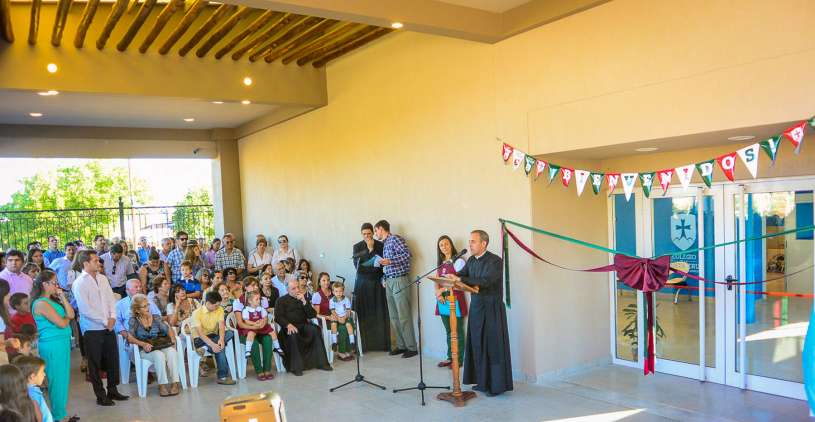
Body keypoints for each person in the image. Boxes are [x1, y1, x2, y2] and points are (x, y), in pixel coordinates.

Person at [445, 230, 512, 397]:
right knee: (477, 345)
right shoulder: (472, 261)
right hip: (476, 309)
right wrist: (452, 277)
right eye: (470, 241)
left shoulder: (495, 261)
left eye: (473, 241)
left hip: (491, 309)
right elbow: (463, 276)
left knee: (492, 347)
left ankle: (495, 386)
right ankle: (481, 382)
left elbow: (486, 282)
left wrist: (460, 279)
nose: (470, 244)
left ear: (484, 243)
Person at [71, 250, 129, 406]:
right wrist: (106, 320)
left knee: (112, 359)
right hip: (92, 328)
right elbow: (85, 309)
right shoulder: (79, 283)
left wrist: (113, 318)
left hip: (109, 325)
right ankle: (100, 395)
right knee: (95, 363)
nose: (99, 263)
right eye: (96, 260)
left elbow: (111, 300)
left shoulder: (103, 278)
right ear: (86, 263)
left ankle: (112, 389)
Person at [30, 269, 74, 421]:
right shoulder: (41, 303)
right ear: (44, 284)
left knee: (63, 379)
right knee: (57, 380)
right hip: (52, 345)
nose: (57, 285)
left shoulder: (53, 299)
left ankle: (61, 413)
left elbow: (72, 314)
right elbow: (62, 322)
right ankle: (58, 416)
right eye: (54, 283)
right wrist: (66, 318)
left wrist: (62, 296)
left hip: (61, 343)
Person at [374, 220, 417, 358]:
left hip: (400, 280)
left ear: (381, 229)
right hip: (389, 281)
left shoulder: (395, 239)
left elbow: (407, 254)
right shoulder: (385, 244)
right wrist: (384, 278)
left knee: (403, 315)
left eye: (376, 231)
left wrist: (390, 261)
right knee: (393, 316)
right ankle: (401, 345)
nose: (376, 234)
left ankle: (411, 347)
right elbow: (386, 266)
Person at [274, 279, 332, 376]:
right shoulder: (281, 301)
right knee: (293, 334)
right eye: (293, 288)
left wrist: (304, 301)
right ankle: (296, 367)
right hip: (288, 328)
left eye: (298, 287)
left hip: (303, 325)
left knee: (315, 329)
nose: (297, 290)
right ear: (287, 290)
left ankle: (321, 363)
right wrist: (288, 324)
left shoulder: (303, 299)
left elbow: (312, 315)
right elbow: (278, 317)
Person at [127, 294, 181, 397]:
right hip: (145, 349)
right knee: (158, 355)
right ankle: (162, 385)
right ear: (137, 310)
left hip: (159, 345)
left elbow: (168, 328)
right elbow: (130, 338)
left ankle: (175, 383)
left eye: (148, 305)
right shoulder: (133, 321)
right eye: (144, 306)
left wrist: (173, 340)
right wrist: (143, 344)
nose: (148, 308)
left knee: (172, 352)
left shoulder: (156, 318)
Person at [352, 223, 390, 353]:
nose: (367, 236)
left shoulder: (380, 245)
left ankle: (381, 344)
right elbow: (358, 267)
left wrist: (373, 250)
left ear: (373, 233)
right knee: (364, 314)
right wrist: (369, 251)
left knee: (378, 312)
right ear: (361, 234)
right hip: (362, 284)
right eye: (364, 234)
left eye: (369, 233)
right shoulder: (357, 247)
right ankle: (365, 346)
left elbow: (382, 264)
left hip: (376, 284)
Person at [434, 235, 468, 368]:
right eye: (441, 245)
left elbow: (459, 281)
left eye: (446, 244)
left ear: (451, 245)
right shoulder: (441, 263)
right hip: (442, 300)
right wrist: (438, 294)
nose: (444, 247)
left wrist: (441, 290)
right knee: (448, 330)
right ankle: (450, 357)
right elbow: (436, 280)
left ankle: (458, 359)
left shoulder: (459, 261)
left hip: (455, 299)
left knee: (457, 330)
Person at [190, 291, 236, 385]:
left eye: (218, 305)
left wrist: (222, 339)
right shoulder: (197, 313)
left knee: (230, 333)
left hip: (213, 336)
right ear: (208, 303)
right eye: (215, 305)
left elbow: (221, 326)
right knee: (220, 349)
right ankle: (222, 377)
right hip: (200, 339)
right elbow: (201, 334)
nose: (217, 307)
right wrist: (214, 344)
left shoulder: (219, 309)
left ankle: (205, 348)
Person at [237, 291, 278, 380]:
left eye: (256, 285)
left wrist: (261, 324)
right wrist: (254, 325)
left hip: (261, 330)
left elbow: (265, 319)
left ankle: (267, 369)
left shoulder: (260, 308)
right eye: (252, 285)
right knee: (254, 343)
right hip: (247, 332)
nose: (259, 300)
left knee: (268, 339)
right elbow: (241, 323)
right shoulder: (240, 305)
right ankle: (259, 371)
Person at [15, 356, 52, 422]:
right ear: (32, 376)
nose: (44, 374)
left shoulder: (23, 391)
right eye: (42, 371)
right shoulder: (33, 396)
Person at [329, 282, 355, 361]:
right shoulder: (332, 300)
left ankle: (352, 342)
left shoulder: (346, 299)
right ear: (333, 292)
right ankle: (334, 342)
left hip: (345, 316)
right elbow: (333, 311)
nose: (338, 293)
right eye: (336, 291)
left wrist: (344, 317)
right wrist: (337, 318)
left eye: (340, 291)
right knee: (333, 324)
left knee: (348, 325)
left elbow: (348, 310)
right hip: (337, 317)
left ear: (343, 291)